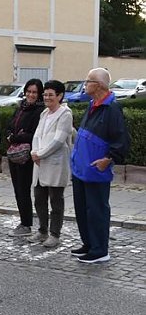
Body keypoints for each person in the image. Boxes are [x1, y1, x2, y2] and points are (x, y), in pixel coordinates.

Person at [70, 67, 130, 264]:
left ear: (99, 85)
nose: (85, 84)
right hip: (82, 168)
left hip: (96, 168)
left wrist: (108, 159)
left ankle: (99, 249)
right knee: (82, 208)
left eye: (88, 81)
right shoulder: (92, 104)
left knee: (97, 210)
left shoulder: (112, 108)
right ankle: (88, 243)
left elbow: (121, 139)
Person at [27, 80, 73, 248]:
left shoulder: (65, 114)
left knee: (55, 199)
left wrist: (41, 154)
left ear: (60, 96)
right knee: (39, 198)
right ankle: (42, 230)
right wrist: (34, 152)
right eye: (45, 94)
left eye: (50, 95)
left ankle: (55, 233)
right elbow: (37, 135)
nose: (47, 97)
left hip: (54, 163)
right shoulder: (44, 113)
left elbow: (58, 141)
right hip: (39, 162)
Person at [5, 78, 44, 237]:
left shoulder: (39, 111)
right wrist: (10, 134)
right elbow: (10, 125)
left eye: (34, 92)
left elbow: (34, 134)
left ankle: (26, 223)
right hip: (15, 155)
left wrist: (15, 138)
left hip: (27, 156)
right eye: (29, 91)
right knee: (17, 190)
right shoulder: (21, 107)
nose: (31, 95)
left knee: (23, 190)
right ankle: (23, 220)